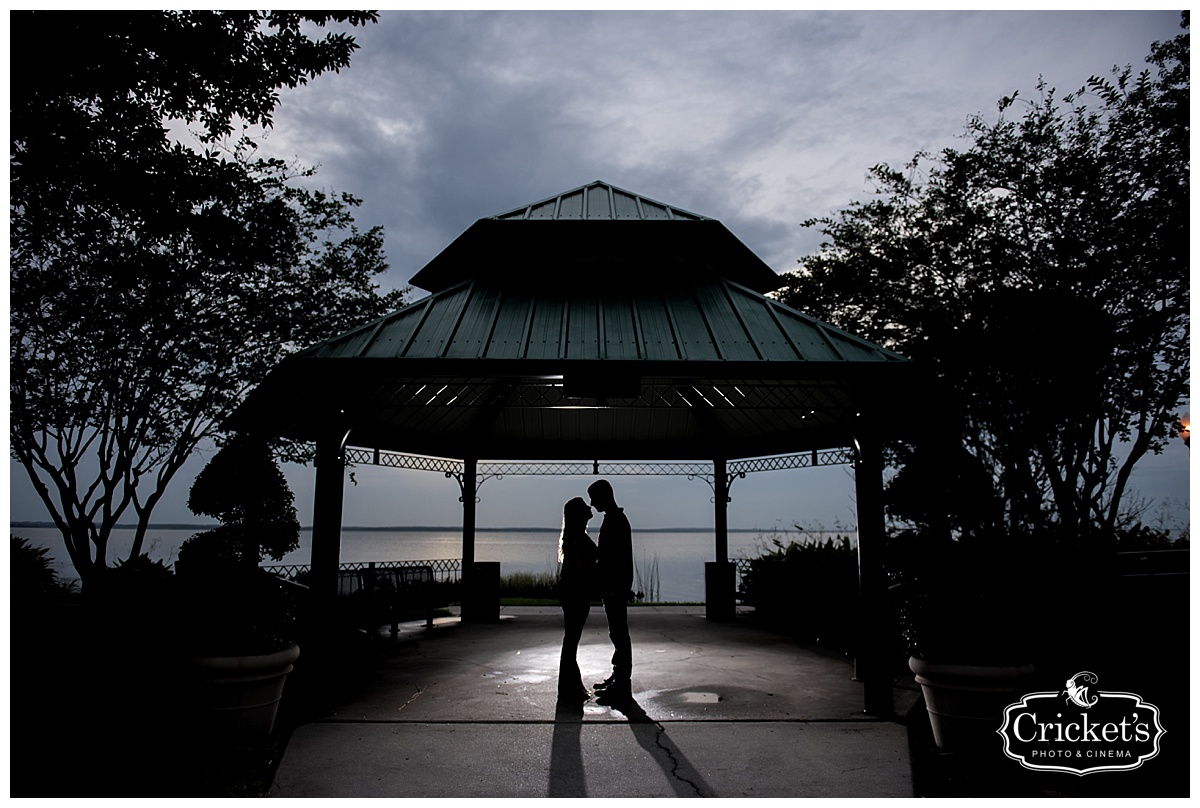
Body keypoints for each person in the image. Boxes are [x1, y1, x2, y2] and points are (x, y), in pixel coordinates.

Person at [587, 479, 634, 704]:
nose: (591, 503)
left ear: (604, 496)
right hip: (612, 586)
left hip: (614, 587)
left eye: (594, 498)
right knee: (616, 632)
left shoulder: (616, 521)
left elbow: (618, 558)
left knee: (619, 634)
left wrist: (618, 587)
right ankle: (618, 677)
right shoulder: (614, 519)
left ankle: (622, 684)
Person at [556, 496, 598, 702]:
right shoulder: (576, 538)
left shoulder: (576, 536)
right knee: (571, 639)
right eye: (584, 507)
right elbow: (580, 567)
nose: (590, 508)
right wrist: (595, 581)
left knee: (571, 639)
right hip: (576, 593)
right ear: (578, 514)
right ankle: (570, 687)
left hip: (573, 592)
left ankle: (571, 685)